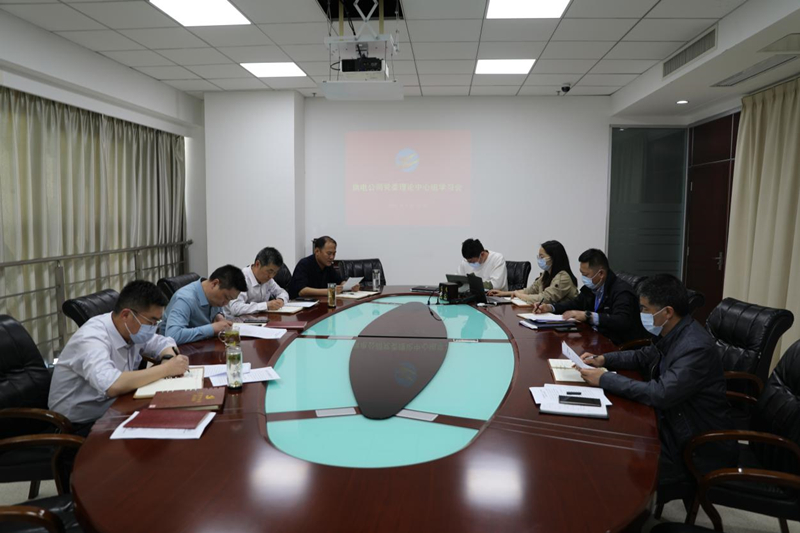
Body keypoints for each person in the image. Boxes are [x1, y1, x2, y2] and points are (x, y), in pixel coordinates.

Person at [578, 274, 736, 493]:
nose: (640, 314)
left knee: (616, 473)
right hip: (671, 424)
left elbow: (661, 393)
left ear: (667, 312)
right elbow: (643, 356)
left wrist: (605, 379)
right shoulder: (673, 331)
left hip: (693, 446)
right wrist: (604, 359)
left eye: (644, 309)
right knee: (605, 443)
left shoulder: (694, 347)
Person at [48, 280, 189, 435]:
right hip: (77, 425)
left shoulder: (132, 329)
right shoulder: (91, 338)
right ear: (126, 315)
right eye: (152, 321)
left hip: (116, 408)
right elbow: (112, 385)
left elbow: (163, 342)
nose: (154, 327)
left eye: (157, 321)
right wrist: (166, 369)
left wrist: (168, 358)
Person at [534, 248, 647, 345]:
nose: (583, 278)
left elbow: (622, 321)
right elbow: (575, 303)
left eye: (586, 274)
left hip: (615, 345)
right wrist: (550, 307)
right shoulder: (592, 287)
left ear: (601, 274)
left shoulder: (622, 291)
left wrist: (588, 316)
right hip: (593, 339)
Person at [162, 265, 247, 345]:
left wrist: (219, 315)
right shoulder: (184, 299)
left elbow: (217, 313)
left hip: (202, 345)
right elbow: (173, 335)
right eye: (226, 297)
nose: (226, 303)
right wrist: (212, 328)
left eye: (230, 300)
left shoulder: (212, 295)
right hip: (178, 351)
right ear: (215, 284)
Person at [488, 240, 578, 304]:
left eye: (542, 257)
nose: (539, 259)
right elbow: (530, 291)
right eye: (538, 256)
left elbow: (544, 299)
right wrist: (503, 294)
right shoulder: (546, 274)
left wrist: (518, 295)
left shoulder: (563, 278)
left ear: (553, 258)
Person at [288, 236, 359, 299]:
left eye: (334, 253)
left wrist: (350, 286)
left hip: (320, 302)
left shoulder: (328, 265)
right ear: (317, 251)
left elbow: (339, 282)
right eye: (329, 253)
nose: (332, 257)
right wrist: (329, 291)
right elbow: (302, 291)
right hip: (301, 305)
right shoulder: (304, 264)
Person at [226, 247, 289, 316]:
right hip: (234, 321)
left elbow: (282, 292)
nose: (271, 276)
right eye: (269, 271)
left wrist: (281, 300)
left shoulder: (268, 280)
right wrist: (266, 305)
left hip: (258, 319)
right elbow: (235, 308)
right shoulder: (241, 279)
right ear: (257, 264)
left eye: (275, 273)